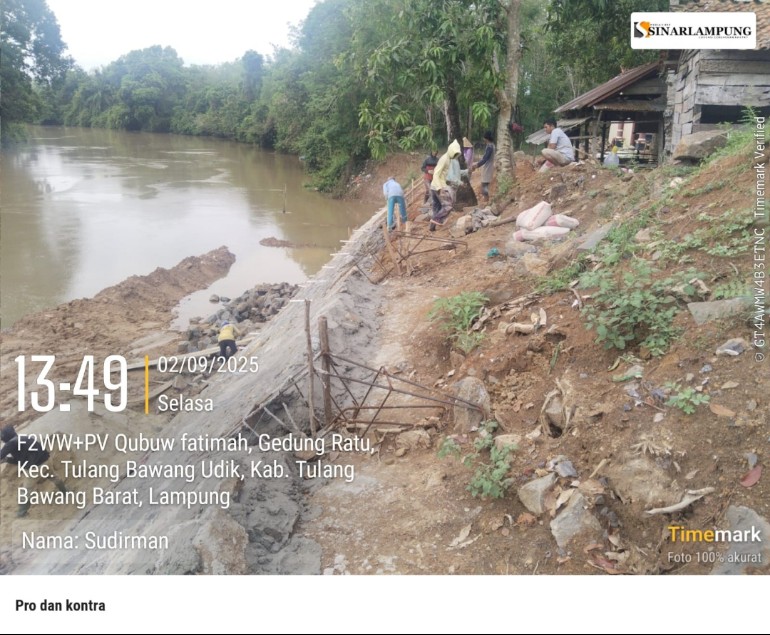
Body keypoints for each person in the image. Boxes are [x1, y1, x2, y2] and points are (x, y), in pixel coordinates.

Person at [1, 425, 66, 517]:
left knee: (26, 490)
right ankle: (65, 492)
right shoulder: (24, 438)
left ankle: (21, 512)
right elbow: (20, 460)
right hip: (46, 462)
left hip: (35, 469)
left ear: (6, 437)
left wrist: (3, 458)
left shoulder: (10, 444)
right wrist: (7, 459)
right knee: (54, 477)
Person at [429, 139, 463, 230]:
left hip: (433, 186)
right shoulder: (444, 159)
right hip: (438, 186)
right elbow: (436, 173)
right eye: (455, 154)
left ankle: (432, 228)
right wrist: (440, 188)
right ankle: (437, 219)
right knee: (448, 206)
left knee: (437, 207)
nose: (455, 156)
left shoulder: (448, 159)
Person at [471, 131, 495, 202]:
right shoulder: (491, 145)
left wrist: (477, 165)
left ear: (486, 138)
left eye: (484, 138)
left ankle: (486, 201)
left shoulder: (490, 147)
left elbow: (485, 159)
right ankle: (486, 200)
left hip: (488, 168)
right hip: (488, 167)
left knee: (484, 185)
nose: (483, 140)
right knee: (485, 185)